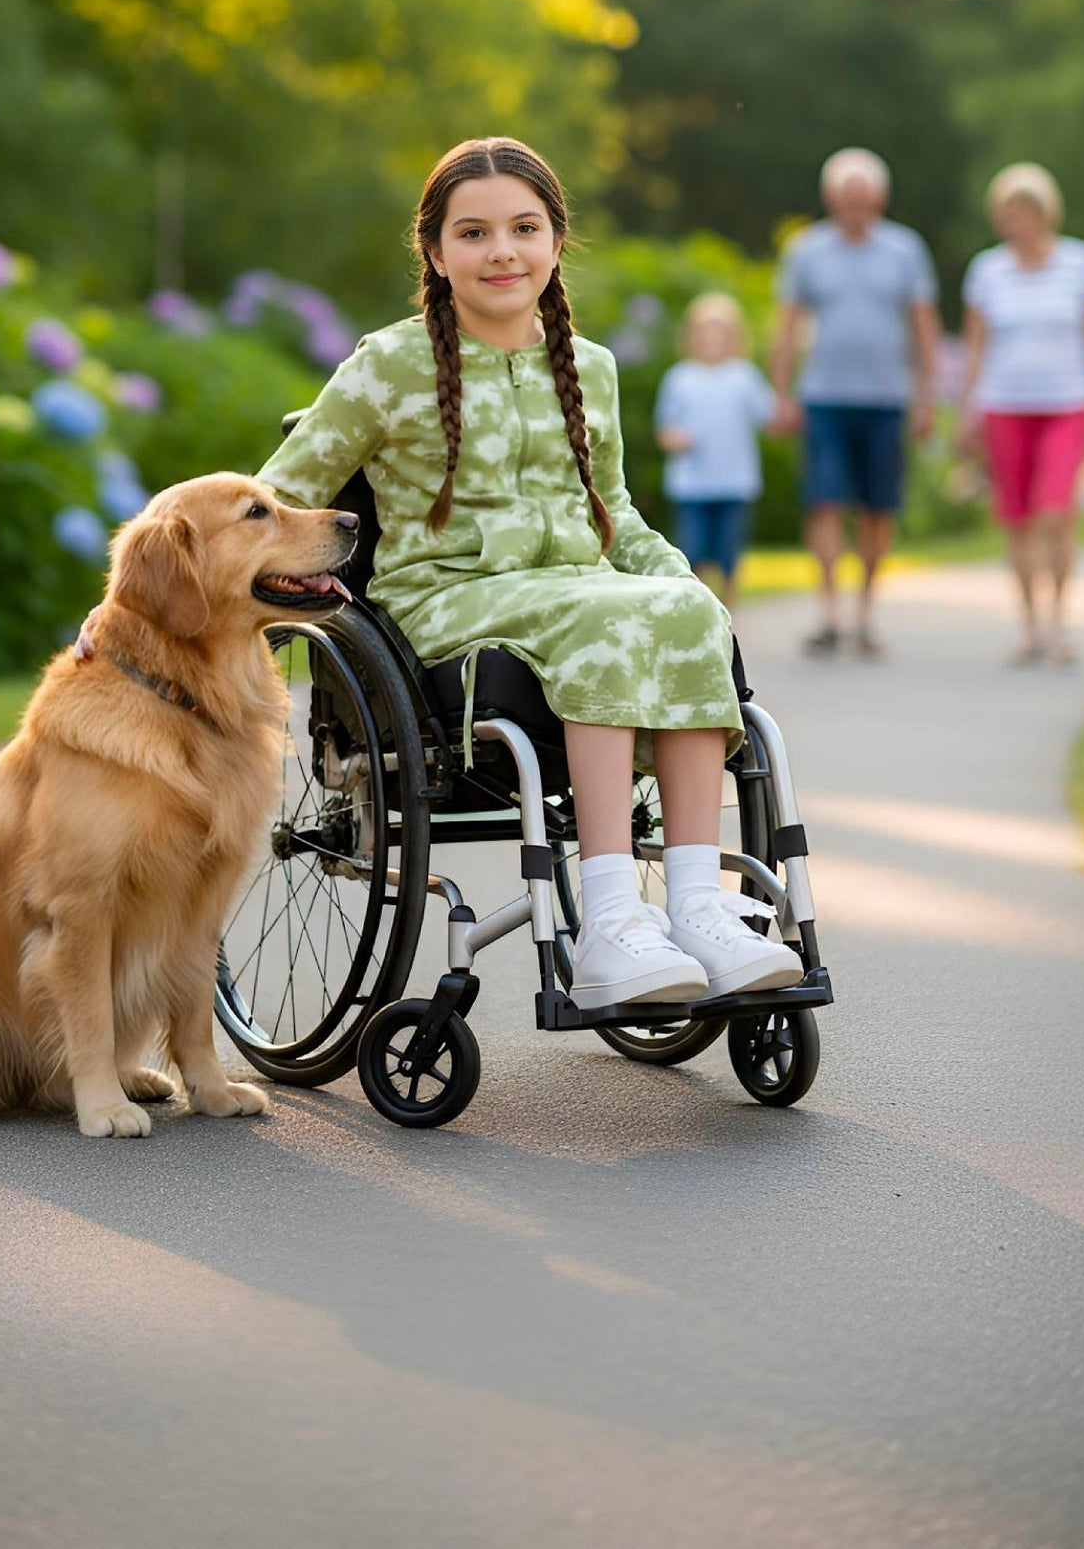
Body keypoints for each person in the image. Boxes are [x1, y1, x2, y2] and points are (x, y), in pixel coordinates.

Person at [255, 137, 803, 1012]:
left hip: (574, 593)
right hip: (442, 603)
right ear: (435, 252)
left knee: (688, 611)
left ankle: (699, 906)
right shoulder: (386, 366)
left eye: (523, 228)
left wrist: (682, 585)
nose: (501, 251)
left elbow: (611, 515)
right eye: (472, 234)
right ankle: (613, 926)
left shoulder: (589, 368)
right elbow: (281, 498)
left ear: (555, 240)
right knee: (603, 618)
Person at [771, 147, 941, 658]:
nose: (855, 207)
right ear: (831, 199)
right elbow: (787, 326)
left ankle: (865, 611)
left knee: (877, 508)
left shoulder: (904, 250)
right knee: (823, 502)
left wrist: (927, 396)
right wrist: (782, 392)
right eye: (846, 198)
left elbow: (923, 327)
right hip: (824, 397)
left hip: (886, 399)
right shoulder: (807, 249)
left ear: (879, 199)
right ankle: (828, 611)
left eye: (863, 198)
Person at [957, 163, 1084, 665]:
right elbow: (976, 346)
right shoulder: (987, 271)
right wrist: (968, 409)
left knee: (1056, 512)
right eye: (1005, 213)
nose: (1013, 222)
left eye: (1022, 212)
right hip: (1004, 405)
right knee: (1018, 517)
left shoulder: (1080, 264)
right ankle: (1030, 626)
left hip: (1068, 403)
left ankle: (1059, 621)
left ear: (1044, 212)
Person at [654, 292, 775, 605]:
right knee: (692, 548)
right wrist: (676, 439)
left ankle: (729, 603)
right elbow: (664, 430)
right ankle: (697, 603)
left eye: (719, 331)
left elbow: (770, 417)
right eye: (704, 331)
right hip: (691, 483)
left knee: (729, 550)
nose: (711, 339)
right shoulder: (680, 378)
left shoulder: (745, 377)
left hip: (734, 482)